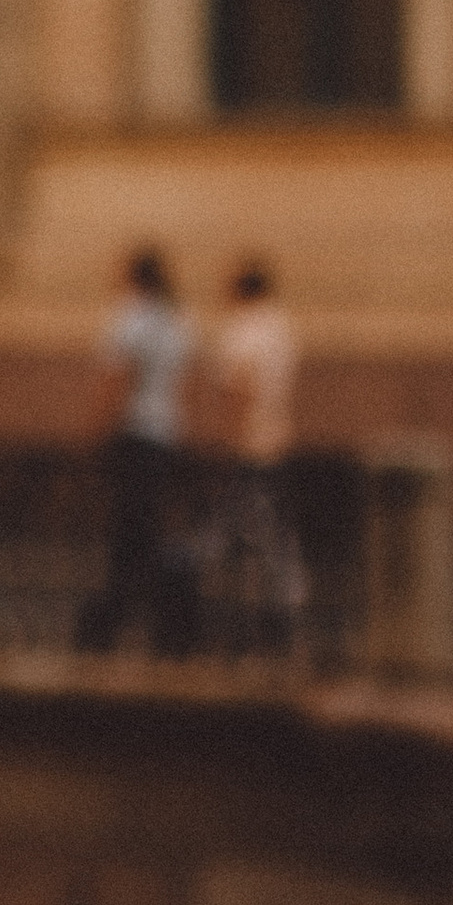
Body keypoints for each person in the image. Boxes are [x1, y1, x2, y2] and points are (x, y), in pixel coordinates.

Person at [74, 249, 196, 657]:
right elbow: (185, 383)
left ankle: (110, 623)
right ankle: (163, 623)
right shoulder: (175, 321)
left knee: (129, 533)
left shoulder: (131, 319)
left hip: (135, 438)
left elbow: (115, 380)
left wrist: (92, 432)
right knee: (147, 529)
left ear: (132, 276)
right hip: (166, 438)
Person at [206, 261, 306, 651]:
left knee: (236, 535)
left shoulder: (241, 330)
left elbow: (239, 388)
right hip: (277, 443)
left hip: (247, 447)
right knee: (276, 536)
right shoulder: (282, 328)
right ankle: (284, 610)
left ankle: (235, 627)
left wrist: (227, 438)